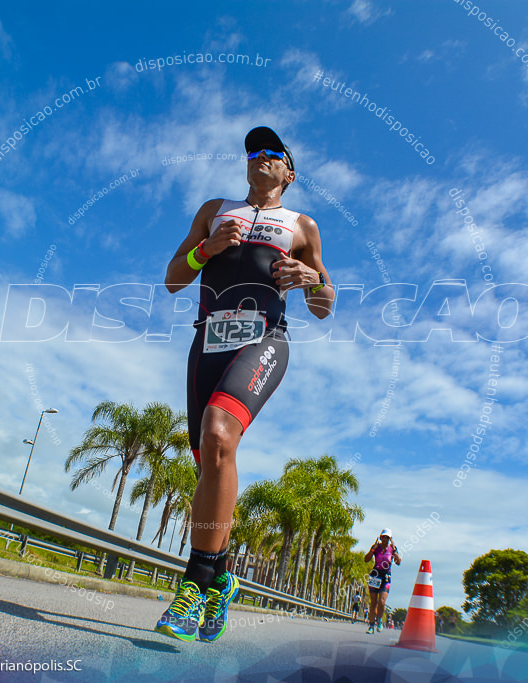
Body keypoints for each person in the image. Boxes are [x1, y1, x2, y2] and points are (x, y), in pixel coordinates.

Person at [155, 126, 335, 643]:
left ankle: (195, 584)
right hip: (207, 343)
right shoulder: (216, 209)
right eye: (252, 151)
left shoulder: (302, 225)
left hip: (265, 340)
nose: (259, 157)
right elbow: (172, 279)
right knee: (208, 463)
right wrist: (204, 250)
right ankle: (224, 575)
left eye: (271, 152)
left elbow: (324, 307)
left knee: (218, 433)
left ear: (288, 172)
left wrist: (311, 281)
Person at [363, 528, 401, 633]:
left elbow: (398, 562)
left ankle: (379, 620)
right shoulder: (376, 547)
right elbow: (366, 559)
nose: (385, 539)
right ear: (380, 537)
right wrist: (372, 550)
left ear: (390, 539)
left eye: (387, 537)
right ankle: (371, 625)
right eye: (384, 537)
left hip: (386, 577)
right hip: (375, 575)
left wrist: (394, 551)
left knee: (382, 602)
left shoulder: (392, 549)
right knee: (373, 602)